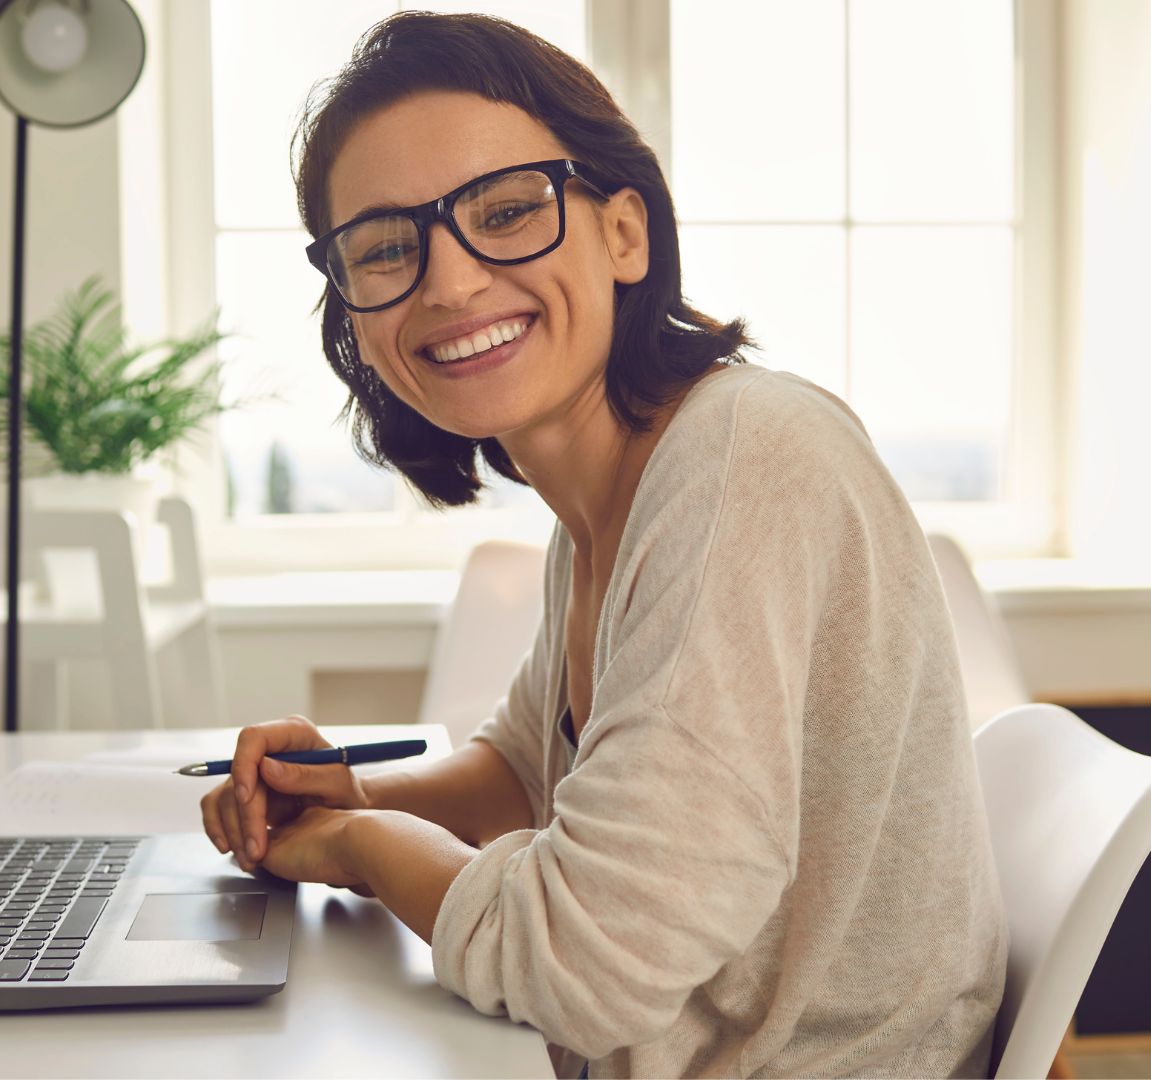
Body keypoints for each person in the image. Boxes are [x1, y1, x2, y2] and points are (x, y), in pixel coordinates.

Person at [200, 13, 1006, 1078]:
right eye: (388, 247)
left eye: (505, 211)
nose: (448, 283)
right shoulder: (599, 510)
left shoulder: (740, 459)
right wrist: (347, 794)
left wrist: (358, 849)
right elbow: (528, 775)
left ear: (625, 232)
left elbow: (591, 961)